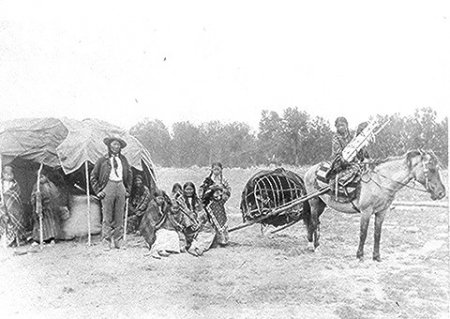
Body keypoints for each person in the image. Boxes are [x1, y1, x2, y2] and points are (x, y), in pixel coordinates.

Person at [90, 136, 132, 250]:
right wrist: (98, 191)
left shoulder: (123, 160)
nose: (116, 147)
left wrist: (127, 189)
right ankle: (106, 241)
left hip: (120, 185)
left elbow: (129, 174)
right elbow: (93, 176)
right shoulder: (102, 160)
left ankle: (118, 241)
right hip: (108, 185)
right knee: (107, 216)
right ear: (109, 146)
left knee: (119, 215)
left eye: (118, 145)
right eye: (114, 144)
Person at [31, 172, 68, 245]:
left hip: (50, 207)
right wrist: (36, 196)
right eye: (39, 177)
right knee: (40, 223)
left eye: (43, 176)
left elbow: (56, 195)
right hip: (41, 207)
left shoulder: (50, 185)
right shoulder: (36, 186)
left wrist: (53, 203)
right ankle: (38, 239)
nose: (41, 178)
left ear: (46, 176)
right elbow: (33, 196)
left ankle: (51, 238)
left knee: (50, 223)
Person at [0, 165, 25, 246]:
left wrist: (7, 196)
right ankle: (6, 242)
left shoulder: (15, 184)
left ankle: (15, 240)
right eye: (6, 174)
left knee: (13, 223)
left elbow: (16, 195)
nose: (9, 176)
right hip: (3, 206)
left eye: (10, 174)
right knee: (5, 222)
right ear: (3, 174)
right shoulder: (1, 184)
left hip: (13, 207)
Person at [180, 182, 202, 249]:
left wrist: (197, 220)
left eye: (191, 189)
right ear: (184, 190)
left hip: (195, 218)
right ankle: (188, 240)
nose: (189, 191)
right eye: (187, 189)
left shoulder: (197, 200)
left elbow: (200, 210)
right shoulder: (180, 199)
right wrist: (191, 216)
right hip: (185, 218)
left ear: (194, 190)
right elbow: (182, 209)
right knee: (186, 218)